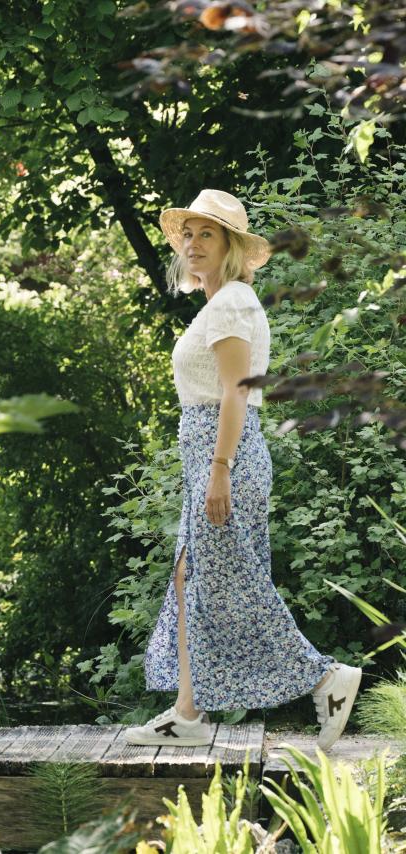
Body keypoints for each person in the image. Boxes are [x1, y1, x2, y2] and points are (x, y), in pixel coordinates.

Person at [124, 189, 361, 751]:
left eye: (207, 233)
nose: (193, 243)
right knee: (191, 578)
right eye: (188, 234)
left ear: (231, 246)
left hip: (223, 453)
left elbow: (235, 392)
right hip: (210, 455)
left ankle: (327, 678)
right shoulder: (219, 304)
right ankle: (188, 713)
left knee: (234, 583)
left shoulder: (231, 303)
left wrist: (220, 468)